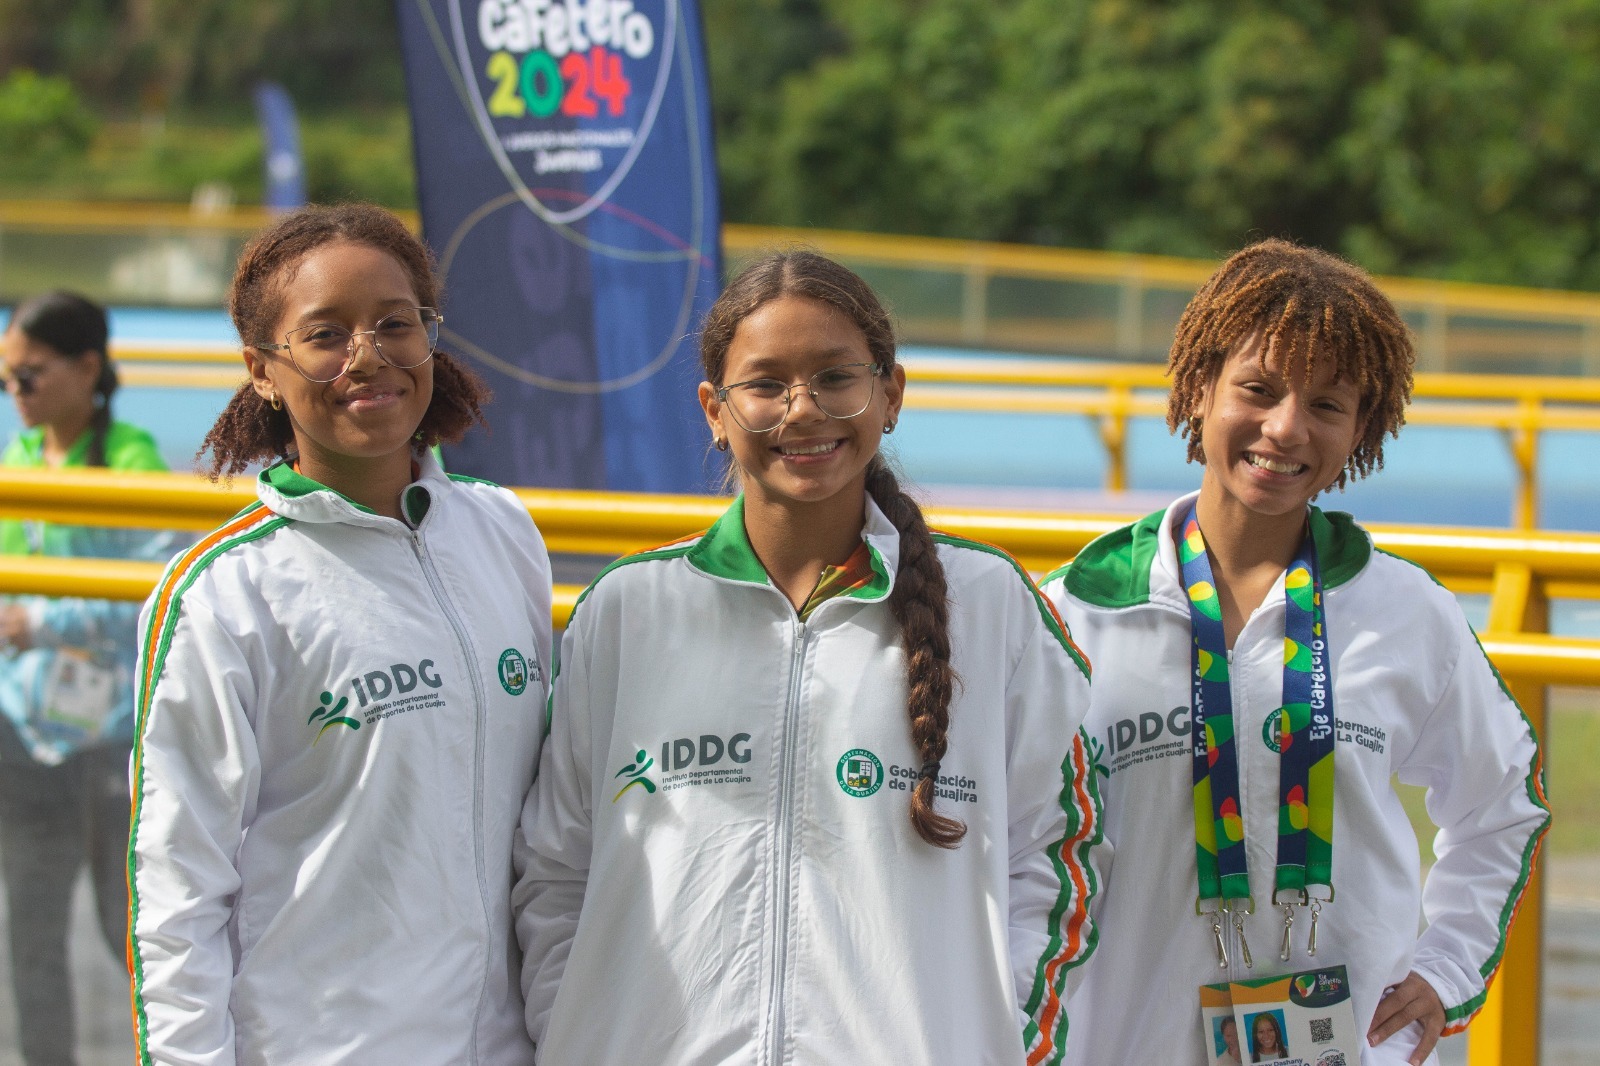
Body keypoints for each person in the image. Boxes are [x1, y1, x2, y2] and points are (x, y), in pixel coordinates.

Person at [513, 250, 1101, 1064]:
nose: (802, 411)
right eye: (765, 384)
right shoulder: (626, 611)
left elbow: (1060, 858)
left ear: (889, 394)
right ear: (714, 410)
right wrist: (584, 1034)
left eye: (835, 378)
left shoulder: (991, 603)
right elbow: (553, 874)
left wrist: (996, 1042)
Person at [1041, 239, 1549, 1066]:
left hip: (1342, 1045)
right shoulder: (1078, 610)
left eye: (1326, 404)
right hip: (1129, 1040)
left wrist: (1446, 965)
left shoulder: (1405, 612)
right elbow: (1012, 843)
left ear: (1362, 430)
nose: (1285, 428)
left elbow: (1503, 802)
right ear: (1199, 388)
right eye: (1258, 389)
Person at [126, 203, 554, 1065]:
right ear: (262, 369)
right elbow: (176, 895)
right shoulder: (223, 595)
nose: (369, 355)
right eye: (325, 334)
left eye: (396, 324)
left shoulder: (503, 533)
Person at [0, 291, 174, 1066]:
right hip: (29, 738)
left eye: (28, 376)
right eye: (5, 378)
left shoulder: (131, 461)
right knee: (32, 943)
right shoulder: (21, 460)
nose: (15, 393)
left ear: (86, 368)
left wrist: (42, 625)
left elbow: (151, 602)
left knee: (128, 936)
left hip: (108, 743)